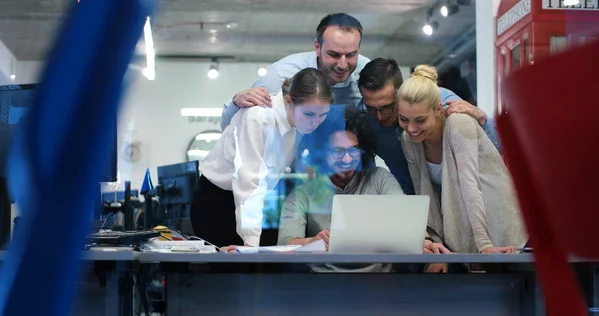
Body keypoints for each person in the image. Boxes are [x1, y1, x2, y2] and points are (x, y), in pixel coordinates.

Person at [277, 110, 449, 273]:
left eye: (353, 150)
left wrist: (428, 245)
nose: (347, 159)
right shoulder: (302, 194)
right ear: (322, 153)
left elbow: (405, 222)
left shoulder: (379, 178)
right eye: (338, 151)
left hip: (378, 283)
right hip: (323, 281)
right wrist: (312, 242)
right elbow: (285, 245)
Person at [397, 65, 527, 264]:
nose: (412, 128)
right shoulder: (409, 140)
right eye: (404, 119)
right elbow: (424, 194)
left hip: (500, 221)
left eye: (420, 120)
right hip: (468, 227)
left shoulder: (459, 124)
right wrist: (435, 244)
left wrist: (485, 246)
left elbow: (470, 186)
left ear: (438, 109)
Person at [189, 68, 332, 247]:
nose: (315, 122)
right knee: (235, 268)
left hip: (257, 202)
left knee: (267, 263)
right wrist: (250, 244)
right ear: (288, 101)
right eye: (309, 114)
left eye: (323, 115)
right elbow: (249, 182)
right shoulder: (258, 117)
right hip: (217, 204)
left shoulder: (298, 123)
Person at [357, 58, 502, 195]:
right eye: (370, 108)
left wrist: (481, 119)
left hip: (470, 194)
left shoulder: (439, 102)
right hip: (419, 201)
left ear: (400, 95)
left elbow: (499, 147)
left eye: (386, 108)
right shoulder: (365, 120)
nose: (379, 116)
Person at [219, 13, 370, 130]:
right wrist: (236, 102)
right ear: (317, 47)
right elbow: (230, 127)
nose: (343, 65)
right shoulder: (279, 76)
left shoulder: (366, 72)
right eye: (334, 54)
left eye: (351, 54)